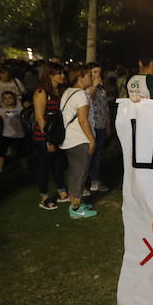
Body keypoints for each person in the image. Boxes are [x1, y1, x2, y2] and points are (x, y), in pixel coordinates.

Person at [60, 65, 97, 219]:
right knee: (80, 174)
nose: (92, 78)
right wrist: (92, 140)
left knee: (75, 173)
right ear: (80, 78)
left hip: (70, 139)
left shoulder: (68, 92)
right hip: (79, 139)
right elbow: (83, 120)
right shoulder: (80, 94)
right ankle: (75, 208)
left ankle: (77, 203)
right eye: (89, 75)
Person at [33, 62, 69, 210]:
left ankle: (62, 192)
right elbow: (40, 118)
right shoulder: (41, 92)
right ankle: (44, 198)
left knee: (58, 165)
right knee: (45, 167)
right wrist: (48, 140)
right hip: (44, 137)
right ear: (50, 75)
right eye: (59, 73)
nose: (63, 76)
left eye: (63, 73)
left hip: (57, 134)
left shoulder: (59, 91)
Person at [0, 90, 26, 178]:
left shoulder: (20, 108)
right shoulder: (2, 110)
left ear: (14, 99)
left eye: (10, 98)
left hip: (19, 135)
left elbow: (28, 116)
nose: (8, 100)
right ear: (2, 100)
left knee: (21, 152)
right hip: (6, 135)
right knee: (0, 152)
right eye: (5, 98)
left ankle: (24, 167)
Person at [86, 62, 111, 193]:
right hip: (91, 126)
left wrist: (108, 124)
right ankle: (86, 183)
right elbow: (88, 98)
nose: (98, 75)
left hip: (101, 125)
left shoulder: (102, 88)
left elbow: (106, 107)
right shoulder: (87, 88)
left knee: (97, 155)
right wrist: (94, 85)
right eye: (95, 72)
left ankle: (95, 181)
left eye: (99, 72)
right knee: (89, 155)